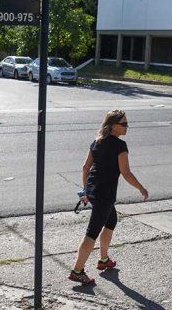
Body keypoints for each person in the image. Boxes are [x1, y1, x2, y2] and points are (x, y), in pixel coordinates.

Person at [69, 109, 149, 285]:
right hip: (104, 194)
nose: (127, 127)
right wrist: (141, 188)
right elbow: (126, 173)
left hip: (93, 190)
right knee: (92, 232)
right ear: (114, 126)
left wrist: (85, 191)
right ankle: (77, 271)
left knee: (111, 220)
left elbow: (85, 168)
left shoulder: (97, 142)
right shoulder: (120, 146)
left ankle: (103, 260)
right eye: (124, 124)